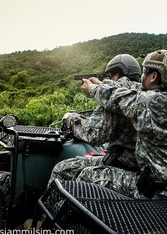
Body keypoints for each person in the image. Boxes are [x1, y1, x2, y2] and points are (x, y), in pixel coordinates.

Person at [74, 49, 167, 199]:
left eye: (145, 71)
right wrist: (103, 84)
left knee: (86, 175)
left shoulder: (149, 102)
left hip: (159, 192)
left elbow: (118, 98)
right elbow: (131, 94)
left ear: (153, 76)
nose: (142, 76)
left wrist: (92, 89)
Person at [48, 54, 142, 185]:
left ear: (116, 74)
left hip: (123, 163)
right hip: (138, 165)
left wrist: (70, 118)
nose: (109, 79)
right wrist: (102, 86)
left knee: (61, 170)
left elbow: (94, 134)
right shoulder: (143, 92)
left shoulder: (112, 98)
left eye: (110, 75)